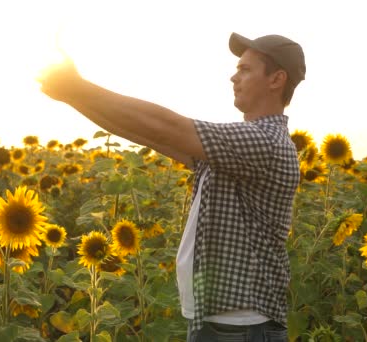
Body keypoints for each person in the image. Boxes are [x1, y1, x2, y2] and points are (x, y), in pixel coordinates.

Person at [39, 32, 305, 341]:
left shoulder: (265, 142)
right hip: (222, 321)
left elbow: (165, 126)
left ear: (276, 79)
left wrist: (79, 87)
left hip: (240, 328)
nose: (234, 77)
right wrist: (73, 96)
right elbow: (149, 134)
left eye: (245, 69)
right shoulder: (240, 148)